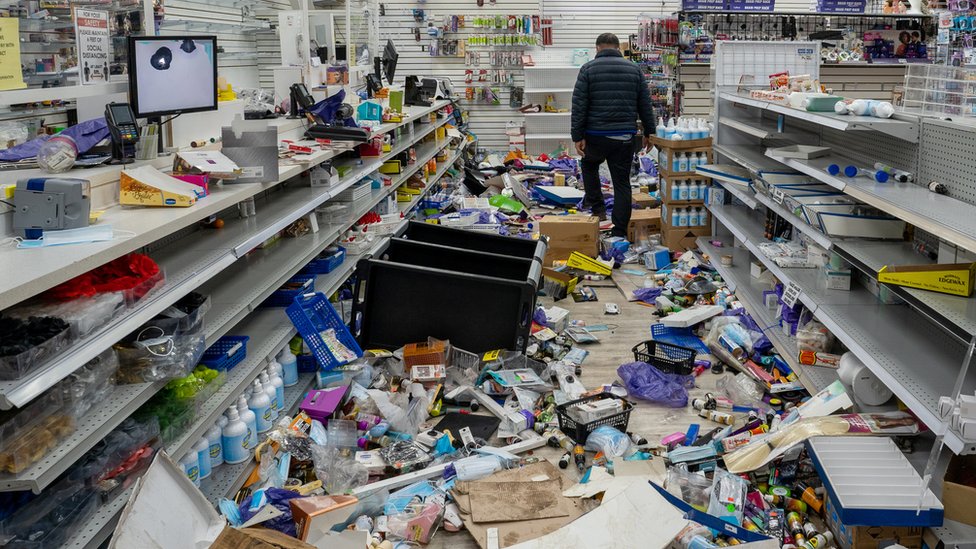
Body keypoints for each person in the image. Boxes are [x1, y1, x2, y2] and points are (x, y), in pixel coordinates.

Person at [571, 33, 655, 239]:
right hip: (624, 137)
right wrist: (649, 132)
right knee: (622, 183)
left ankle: (598, 210)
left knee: (589, 165)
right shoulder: (634, 70)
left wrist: (577, 136)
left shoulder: (588, 69)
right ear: (618, 48)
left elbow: (579, 105)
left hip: (595, 136)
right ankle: (619, 232)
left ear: (597, 48)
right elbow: (645, 104)